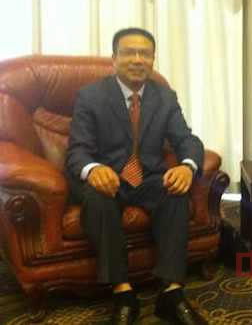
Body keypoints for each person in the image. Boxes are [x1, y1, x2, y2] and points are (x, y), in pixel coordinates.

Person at [66, 27, 206, 325]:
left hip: (148, 177)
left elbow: (187, 140)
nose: (138, 60)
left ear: (153, 60)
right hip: (106, 178)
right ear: (114, 59)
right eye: (129, 53)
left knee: (176, 190)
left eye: (145, 54)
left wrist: (187, 166)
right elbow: (77, 150)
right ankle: (122, 292)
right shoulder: (91, 96)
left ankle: (172, 291)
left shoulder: (164, 97)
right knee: (99, 198)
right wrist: (93, 169)